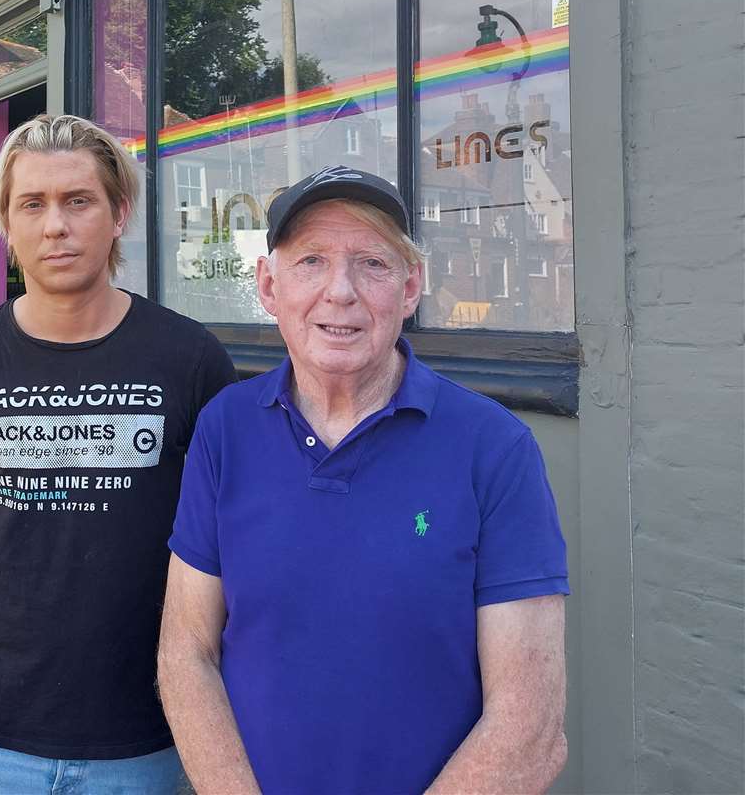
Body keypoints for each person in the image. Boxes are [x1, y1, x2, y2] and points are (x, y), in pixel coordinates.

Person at [159, 165, 569, 794]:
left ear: (410, 288)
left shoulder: (493, 447)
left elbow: (531, 726)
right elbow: (186, 654)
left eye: (372, 264)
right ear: (269, 286)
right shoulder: (226, 430)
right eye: (312, 261)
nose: (340, 291)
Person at [0, 115, 237, 793]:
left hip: (147, 736)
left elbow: (233, 535)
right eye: (34, 203)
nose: (56, 225)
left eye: (78, 200)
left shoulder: (189, 358)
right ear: (7, 224)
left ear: (118, 214)